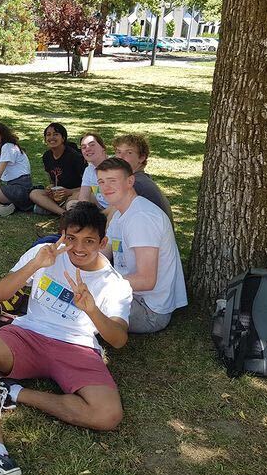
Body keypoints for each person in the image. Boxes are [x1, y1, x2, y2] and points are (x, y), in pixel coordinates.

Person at [0, 203, 132, 475]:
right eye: (72, 238)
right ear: (61, 234)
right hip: (29, 335)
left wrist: (92, 310)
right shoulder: (45, 254)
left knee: (108, 415)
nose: (78, 248)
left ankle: (14, 392)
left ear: (102, 243)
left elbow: (119, 339)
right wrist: (35, 264)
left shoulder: (115, 284)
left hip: (78, 347)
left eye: (89, 241)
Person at [97, 157, 187, 333]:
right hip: (130, 294)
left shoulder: (142, 218)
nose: (106, 187)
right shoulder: (120, 214)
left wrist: (98, 283)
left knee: (79, 305)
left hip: (149, 309)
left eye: (112, 180)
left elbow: (146, 280)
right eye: (101, 181)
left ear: (130, 181)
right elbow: (102, 254)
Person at [112, 134, 174, 224]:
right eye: (118, 152)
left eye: (129, 152)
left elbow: (112, 216)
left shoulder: (136, 184)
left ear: (141, 158)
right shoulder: (140, 179)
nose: (121, 157)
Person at [29, 123, 86, 216]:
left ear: (63, 138)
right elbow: (52, 180)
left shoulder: (74, 157)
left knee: (76, 198)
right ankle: (63, 213)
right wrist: (50, 187)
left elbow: (89, 186)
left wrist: (69, 191)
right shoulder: (47, 156)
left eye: (56, 134)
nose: (51, 137)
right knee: (34, 193)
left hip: (74, 194)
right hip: (58, 195)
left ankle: (52, 209)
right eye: (48, 135)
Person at [68, 132, 110, 213]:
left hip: (117, 209)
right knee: (71, 204)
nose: (87, 149)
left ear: (103, 148)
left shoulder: (115, 167)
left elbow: (120, 201)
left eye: (92, 145)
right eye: (83, 147)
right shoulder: (89, 170)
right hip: (101, 207)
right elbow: (83, 199)